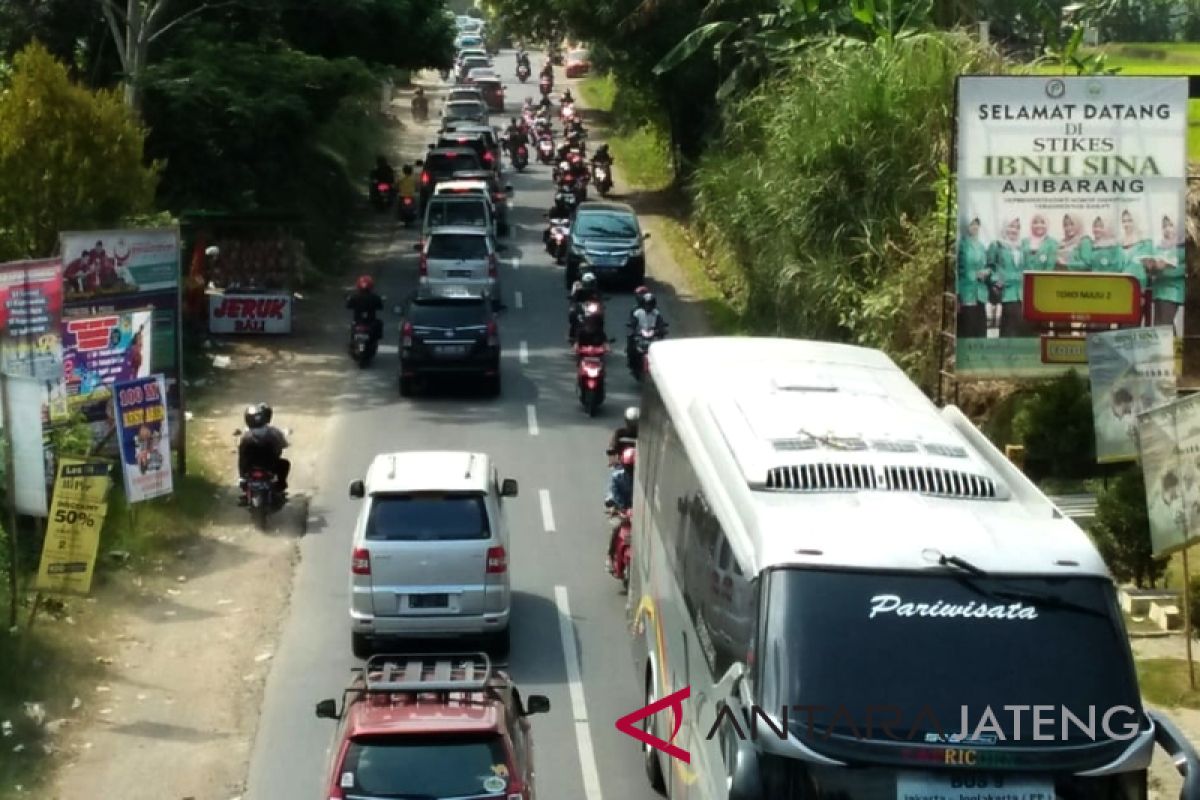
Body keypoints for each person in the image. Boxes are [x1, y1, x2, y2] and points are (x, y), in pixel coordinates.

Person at [237, 403, 290, 495]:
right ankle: (281, 485)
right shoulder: (273, 432)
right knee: (285, 464)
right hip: (270, 466)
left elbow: (241, 453)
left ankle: (243, 482)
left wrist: (242, 477)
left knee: (242, 461)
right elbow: (283, 444)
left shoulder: (245, 435)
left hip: (250, 467)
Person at [988, 216, 1028, 338]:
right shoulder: (997, 245)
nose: (1014, 230)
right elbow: (990, 267)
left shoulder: (1021, 247)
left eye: (1017, 227)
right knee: (1009, 329)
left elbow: (1024, 268)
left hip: (1021, 294)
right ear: (1005, 227)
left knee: (1022, 328)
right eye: (1011, 226)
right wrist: (998, 280)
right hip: (1007, 293)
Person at [1149, 214, 1185, 334]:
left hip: (1172, 291)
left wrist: (1166, 269)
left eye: (1171, 225)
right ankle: (1173, 350)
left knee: (1164, 325)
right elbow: (1153, 272)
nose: (1167, 229)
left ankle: (1173, 351)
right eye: (1164, 226)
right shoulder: (1158, 247)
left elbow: (1186, 268)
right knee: (1160, 326)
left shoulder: (1183, 247)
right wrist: (1151, 267)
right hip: (1158, 290)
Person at [956, 216, 989, 339]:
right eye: (972, 224)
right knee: (969, 328)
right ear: (967, 226)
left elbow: (986, 265)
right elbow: (958, 269)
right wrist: (958, 293)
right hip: (967, 291)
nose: (975, 227)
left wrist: (986, 272)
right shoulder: (963, 244)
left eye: (977, 224)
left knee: (981, 329)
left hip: (981, 292)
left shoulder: (981, 246)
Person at [605, 447, 635, 568]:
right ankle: (610, 556)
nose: (630, 470)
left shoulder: (641, 478)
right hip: (621, 509)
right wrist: (620, 507)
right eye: (628, 466)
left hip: (636, 511)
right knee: (616, 528)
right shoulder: (617, 477)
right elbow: (614, 493)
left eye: (632, 466)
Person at [346, 274, 384, 346]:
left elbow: (348, 306)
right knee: (379, 323)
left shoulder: (355, 297)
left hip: (358, 321)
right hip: (370, 322)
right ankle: (356, 343)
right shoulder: (375, 297)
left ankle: (352, 342)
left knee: (352, 327)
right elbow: (380, 307)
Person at [568, 272, 601, 343]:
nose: (589, 285)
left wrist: (601, 302)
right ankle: (572, 335)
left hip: (592, 307)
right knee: (573, 315)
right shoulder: (578, 289)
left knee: (600, 317)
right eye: (587, 283)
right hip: (581, 307)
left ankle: (602, 336)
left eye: (591, 283)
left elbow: (600, 299)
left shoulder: (596, 290)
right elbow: (573, 299)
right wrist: (574, 302)